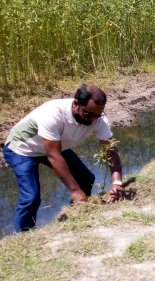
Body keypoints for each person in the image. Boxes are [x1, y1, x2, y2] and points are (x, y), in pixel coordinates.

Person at [2, 84, 124, 232]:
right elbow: (53, 155)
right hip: (21, 149)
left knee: (86, 178)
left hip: (55, 145)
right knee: (31, 197)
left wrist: (117, 182)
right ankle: (23, 234)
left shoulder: (98, 119)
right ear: (76, 104)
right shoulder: (52, 114)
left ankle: (77, 212)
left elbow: (110, 150)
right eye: (88, 114)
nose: (92, 119)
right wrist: (75, 190)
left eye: (97, 115)